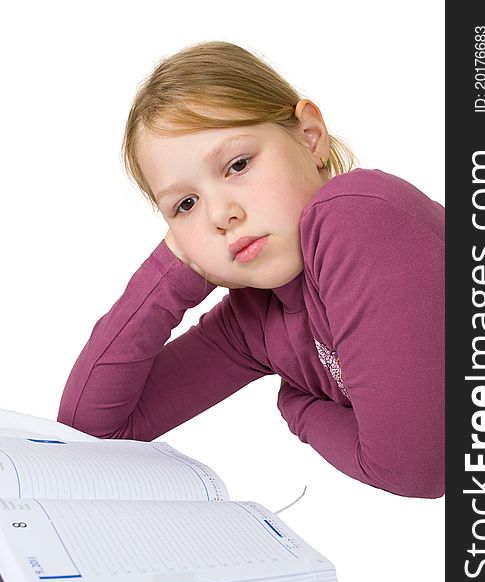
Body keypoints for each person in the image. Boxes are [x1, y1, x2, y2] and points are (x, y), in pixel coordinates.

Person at [57, 41, 444, 498]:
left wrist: (298, 406)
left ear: (309, 136)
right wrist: (174, 268)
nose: (220, 214)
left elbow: (415, 468)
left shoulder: (355, 215)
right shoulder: (254, 323)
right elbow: (89, 438)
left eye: (238, 164)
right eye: (185, 204)